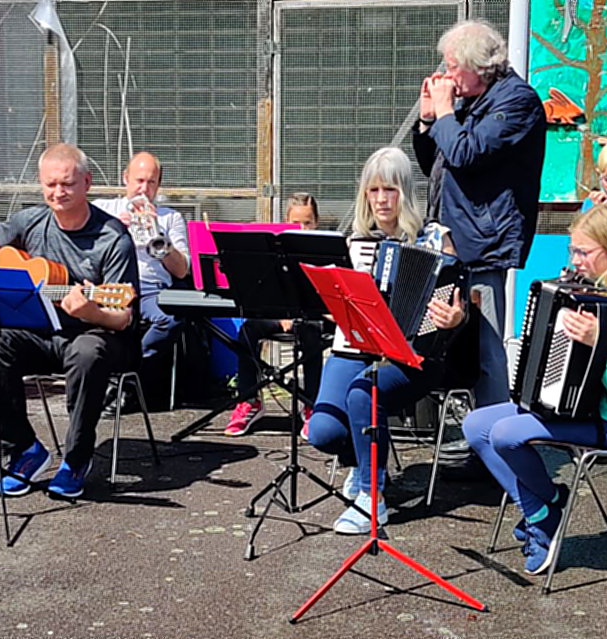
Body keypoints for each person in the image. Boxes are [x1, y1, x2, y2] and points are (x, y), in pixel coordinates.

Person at [463, 202, 607, 576]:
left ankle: (543, 518)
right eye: (573, 250)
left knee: (506, 434)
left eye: (584, 252)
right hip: (566, 409)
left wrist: (600, 344)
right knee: (476, 425)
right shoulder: (582, 292)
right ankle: (546, 506)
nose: (576, 259)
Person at [304, 147, 467, 534]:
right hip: (354, 347)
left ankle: (371, 498)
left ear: (405, 193)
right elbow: (332, 303)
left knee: (364, 394)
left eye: (390, 190)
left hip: (414, 355)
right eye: (373, 190)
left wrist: (455, 319)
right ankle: (363, 461)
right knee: (323, 431)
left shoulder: (435, 240)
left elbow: (459, 309)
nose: (381, 200)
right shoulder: (355, 244)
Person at [412, 18, 545, 478]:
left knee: (487, 349)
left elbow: (468, 153)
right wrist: (429, 120)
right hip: (448, 240)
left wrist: (446, 114)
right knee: (445, 342)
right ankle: (465, 439)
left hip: (484, 243)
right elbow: (438, 161)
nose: (447, 77)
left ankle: (502, 453)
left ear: (480, 67)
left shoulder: (517, 101)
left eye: (453, 68)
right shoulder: (468, 100)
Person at [0, 143, 140, 499]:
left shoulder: (112, 237)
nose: (57, 192)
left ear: (87, 183)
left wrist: (90, 310)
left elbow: (123, 315)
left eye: (66, 184)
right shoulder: (32, 219)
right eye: (50, 185)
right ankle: (23, 449)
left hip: (97, 335)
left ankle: (76, 459)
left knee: (86, 353)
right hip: (40, 332)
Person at [224, 192, 326, 436]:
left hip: (314, 315)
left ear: (317, 222)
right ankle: (249, 399)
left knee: (311, 332)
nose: (301, 228)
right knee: (248, 330)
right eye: (295, 223)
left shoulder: (324, 248)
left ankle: (312, 404)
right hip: (279, 313)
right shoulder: (274, 250)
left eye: (307, 222)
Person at [93, 152, 190, 360]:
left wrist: (158, 235)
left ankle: (131, 367)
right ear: (125, 178)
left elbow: (182, 270)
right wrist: (114, 228)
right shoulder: (102, 209)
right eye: (139, 181)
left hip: (149, 291)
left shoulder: (171, 217)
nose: (144, 189)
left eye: (151, 182)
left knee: (172, 319)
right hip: (108, 286)